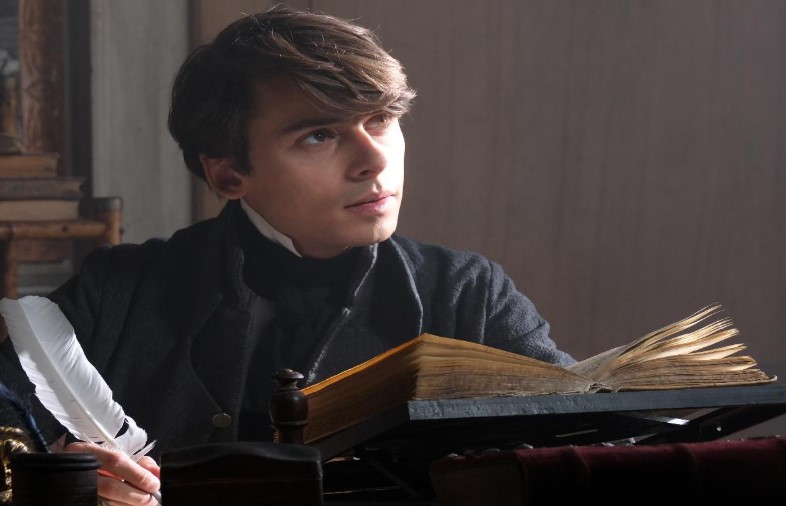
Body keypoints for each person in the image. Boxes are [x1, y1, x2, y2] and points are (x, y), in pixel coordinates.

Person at [0, 4, 574, 505]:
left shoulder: (467, 293)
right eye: (319, 135)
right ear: (228, 174)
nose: (374, 160)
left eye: (381, 120)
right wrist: (59, 476)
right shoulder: (118, 290)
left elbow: (582, 438)